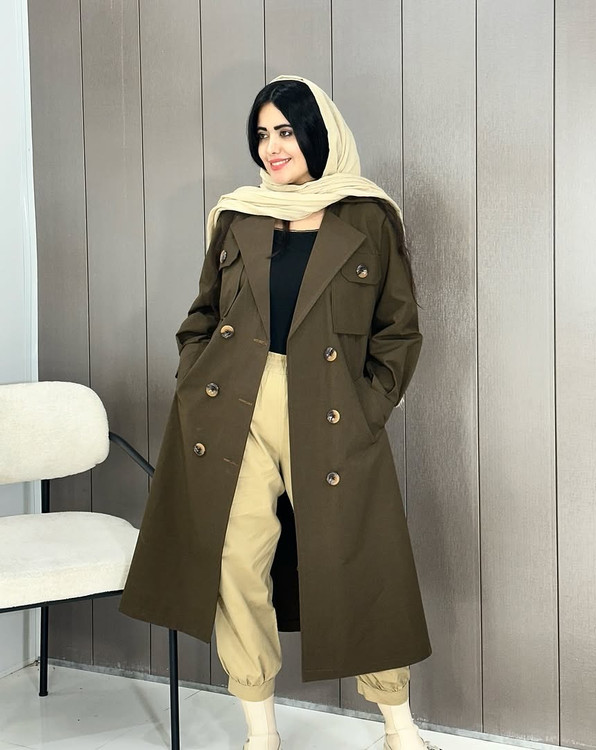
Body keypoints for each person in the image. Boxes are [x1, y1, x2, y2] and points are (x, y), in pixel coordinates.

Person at [120, 75, 436, 750]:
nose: (272, 147)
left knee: (359, 558)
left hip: (332, 409)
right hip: (232, 404)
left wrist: (369, 406)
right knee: (236, 561)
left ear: (318, 134)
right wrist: (193, 377)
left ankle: (398, 725)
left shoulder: (368, 216)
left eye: (286, 131)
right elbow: (203, 314)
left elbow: (399, 329)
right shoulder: (239, 215)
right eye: (262, 135)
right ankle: (260, 731)